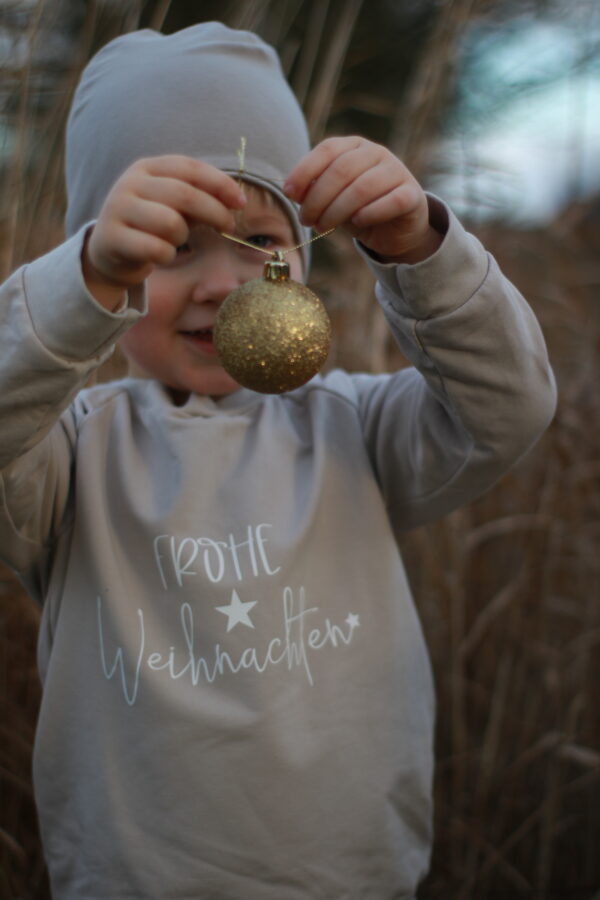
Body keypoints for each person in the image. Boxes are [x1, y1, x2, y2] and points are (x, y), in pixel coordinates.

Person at [0, 22, 556, 900]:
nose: (223, 283)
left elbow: (510, 406)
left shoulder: (355, 427)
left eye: (261, 242)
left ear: (300, 254)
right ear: (105, 271)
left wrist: (419, 248)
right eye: (174, 244)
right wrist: (82, 282)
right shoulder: (65, 454)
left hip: (356, 881)